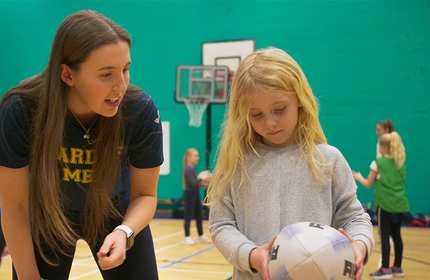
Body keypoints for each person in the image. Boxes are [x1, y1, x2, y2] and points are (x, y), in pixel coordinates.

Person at [0, 10, 163, 280]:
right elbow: (14, 206)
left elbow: (146, 196)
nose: (120, 86)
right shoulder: (21, 110)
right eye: (106, 74)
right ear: (67, 75)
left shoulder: (139, 110)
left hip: (115, 216)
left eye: (125, 69)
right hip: (47, 217)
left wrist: (125, 232)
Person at [207, 47, 373, 280]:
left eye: (279, 109)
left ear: (300, 100)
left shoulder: (328, 159)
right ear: (242, 115)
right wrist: (254, 255)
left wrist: (358, 245)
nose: (270, 123)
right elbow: (221, 225)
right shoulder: (237, 165)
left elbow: (355, 218)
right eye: (257, 114)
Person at [353, 132, 408, 279]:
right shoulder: (400, 162)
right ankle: (397, 267)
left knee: (384, 236)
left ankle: (384, 268)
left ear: (383, 147)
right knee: (397, 236)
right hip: (400, 203)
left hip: (385, 204)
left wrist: (358, 177)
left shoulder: (379, 162)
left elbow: (368, 183)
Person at [182, 148, 210, 245]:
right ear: (189, 157)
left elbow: (196, 184)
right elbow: (191, 183)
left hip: (195, 193)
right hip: (189, 194)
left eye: (197, 156)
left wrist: (204, 183)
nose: (197, 158)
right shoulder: (187, 168)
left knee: (199, 214)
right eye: (195, 156)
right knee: (188, 215)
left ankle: (201, 235)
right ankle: (187, 236)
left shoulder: (192, 168)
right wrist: (201, 178)